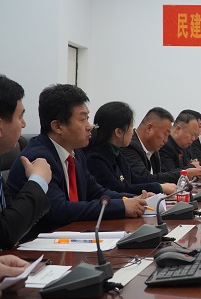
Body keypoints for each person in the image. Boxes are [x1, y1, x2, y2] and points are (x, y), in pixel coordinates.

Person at [6, 84, 146, 242]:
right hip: (38, 248)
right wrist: (121, 207)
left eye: (88, 118)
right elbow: (59, 210)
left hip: (69, 240)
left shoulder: (76, 153)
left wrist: (134, 199)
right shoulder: (38, 158)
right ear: (58, 126)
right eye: (82, 119)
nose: (90, 126)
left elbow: (96, 192)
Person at [0, 75, 51, 250]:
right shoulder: (39, 153)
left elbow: (8, 220)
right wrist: (38, 181)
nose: (24, 124)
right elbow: (5, 232)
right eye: (20, 117)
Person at [84, 102, 176, 195]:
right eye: (131, 127)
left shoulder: (116, 154)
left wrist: (161, 186)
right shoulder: (95, 158)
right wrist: (159, 187)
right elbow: (119, 189)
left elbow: (136, 179)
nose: (133, 132)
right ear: (118, 132)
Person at [122, 107, 182, 184]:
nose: (166, 140)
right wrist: (183, 174)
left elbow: (161, 175)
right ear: (149, 128)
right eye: (165, 134)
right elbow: (144, 179)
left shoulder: (153, 150)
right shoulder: (129, 146)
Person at [159, 111, 201, 179]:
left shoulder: (184, 146)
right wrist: (192, 167)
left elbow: (186, 167)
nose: (194, 139)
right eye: (192, 134)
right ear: (178, 129)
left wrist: (198, 170)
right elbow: (170, 173)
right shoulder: (164, 145)